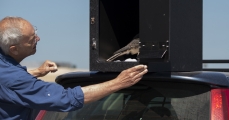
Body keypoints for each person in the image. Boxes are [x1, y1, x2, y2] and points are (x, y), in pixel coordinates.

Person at [0, 16, 148, 120]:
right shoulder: (14, 79)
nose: (38, 39)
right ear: (14, 50)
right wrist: (119, 83)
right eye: (32, 39)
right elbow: (67, 98)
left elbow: (10, 81)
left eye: (35, 33)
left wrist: (37, 72)